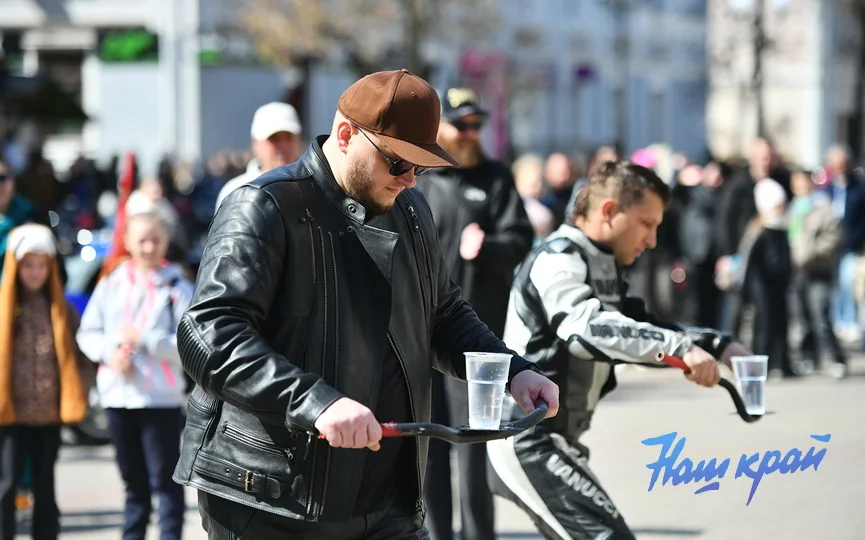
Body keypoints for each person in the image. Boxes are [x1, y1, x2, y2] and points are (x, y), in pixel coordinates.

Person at [172, 69, 560, 539]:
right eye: (398, 163)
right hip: (274, 498)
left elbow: (443, 313)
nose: (411, 180)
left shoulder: (410, 209)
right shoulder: (264, 205)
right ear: (344, 135)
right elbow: (209, 334)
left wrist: (514, 371)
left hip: (387, 497)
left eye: (422, 166)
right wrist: (317, 402)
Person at [486, 161, 753, 540]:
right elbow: (584, 327)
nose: (652, 240)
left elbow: (642, 324)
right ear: (609, 211)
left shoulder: (600, 261)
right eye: (646, 224)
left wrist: (719, 344)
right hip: (526, 439)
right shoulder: (558, 258)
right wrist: (679, 348)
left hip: (556, 441)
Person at [417, 87, 534, 540]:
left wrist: (488, 248)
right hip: (422, 339)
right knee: (430, 448)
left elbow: (520, 238)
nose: (470, 134)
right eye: (461, 124)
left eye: (476, 126)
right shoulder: (419, 179)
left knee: (473, 446)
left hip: (475, 340)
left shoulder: (496, 177)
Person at [77, 211, 192, 540]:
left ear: (166, 241)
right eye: (141, 239)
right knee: (133, 484)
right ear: (126, 241)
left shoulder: (177, 287)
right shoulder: (112, 282)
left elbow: (190, 344)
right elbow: (89, 333)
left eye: (155, 239)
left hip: (159, 398)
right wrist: (110, 355)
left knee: (165, 482)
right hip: (118, 396)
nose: (148, 247)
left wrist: (149, 342)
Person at [0, 224, 90, 540]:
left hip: (49, 414)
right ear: (15, 266)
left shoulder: (62, 310)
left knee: (45, 488)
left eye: (42, 265)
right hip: (8, 415)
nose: (35, 273)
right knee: (6, 486)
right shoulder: (4, 307)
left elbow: (83, 354)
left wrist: (79, 385)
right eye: (28, 265)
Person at [214, 101, 303, 211]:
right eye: (274, 138)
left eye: (288, 137)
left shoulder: (313, 189)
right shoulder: (235, 192)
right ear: (256, 144)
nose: (283, 145)